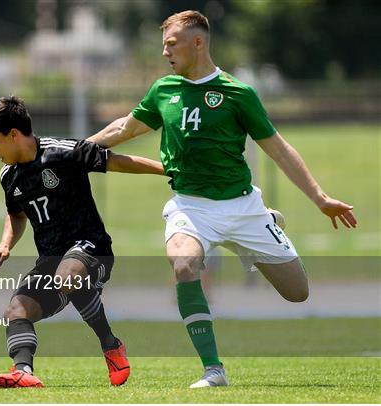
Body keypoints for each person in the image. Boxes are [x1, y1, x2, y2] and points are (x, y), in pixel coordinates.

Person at [88, 10, 357, 388]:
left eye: (172, 43)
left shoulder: (238, 93)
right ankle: (214, 370)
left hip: (243, 208)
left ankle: (267, 224)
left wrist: (321, 198)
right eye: (163, 44)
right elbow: (124, 128)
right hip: (190, 206)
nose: (165, 51)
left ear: (198, 42)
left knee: (298, 293)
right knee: (184, 267)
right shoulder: (163, 90)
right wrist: (74, 149)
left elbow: (279, 150)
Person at [0, 95, 164, 388]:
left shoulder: (63, 153)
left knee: (67, 275)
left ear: (13, 135)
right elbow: (16, 215)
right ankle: (23, 371)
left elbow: (119, 162)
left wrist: (169, 171)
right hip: (51, 260)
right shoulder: (9, 175)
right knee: (17, 310)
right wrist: (5, 244)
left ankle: (110, 345)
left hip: (92, 249)